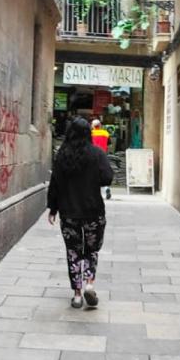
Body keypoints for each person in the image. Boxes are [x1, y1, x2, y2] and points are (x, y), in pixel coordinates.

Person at [47, 117, 114, 308]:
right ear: (88, 134)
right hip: (93, 211)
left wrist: (53, 208)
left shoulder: (62, 155)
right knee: (92, 250)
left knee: (73, 252)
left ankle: (77, 294)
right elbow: (108, 177)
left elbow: (55, 184)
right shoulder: (97, 154)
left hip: (69, 213)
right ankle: (89, 283)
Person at [90, 119, 113, 200]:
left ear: (93, 126)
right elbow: (109, 145)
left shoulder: (90, 134)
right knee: (102, 173)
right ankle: (106, 188)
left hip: (92, 155)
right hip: (103, 155)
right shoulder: (105, 133)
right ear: (100, 125)